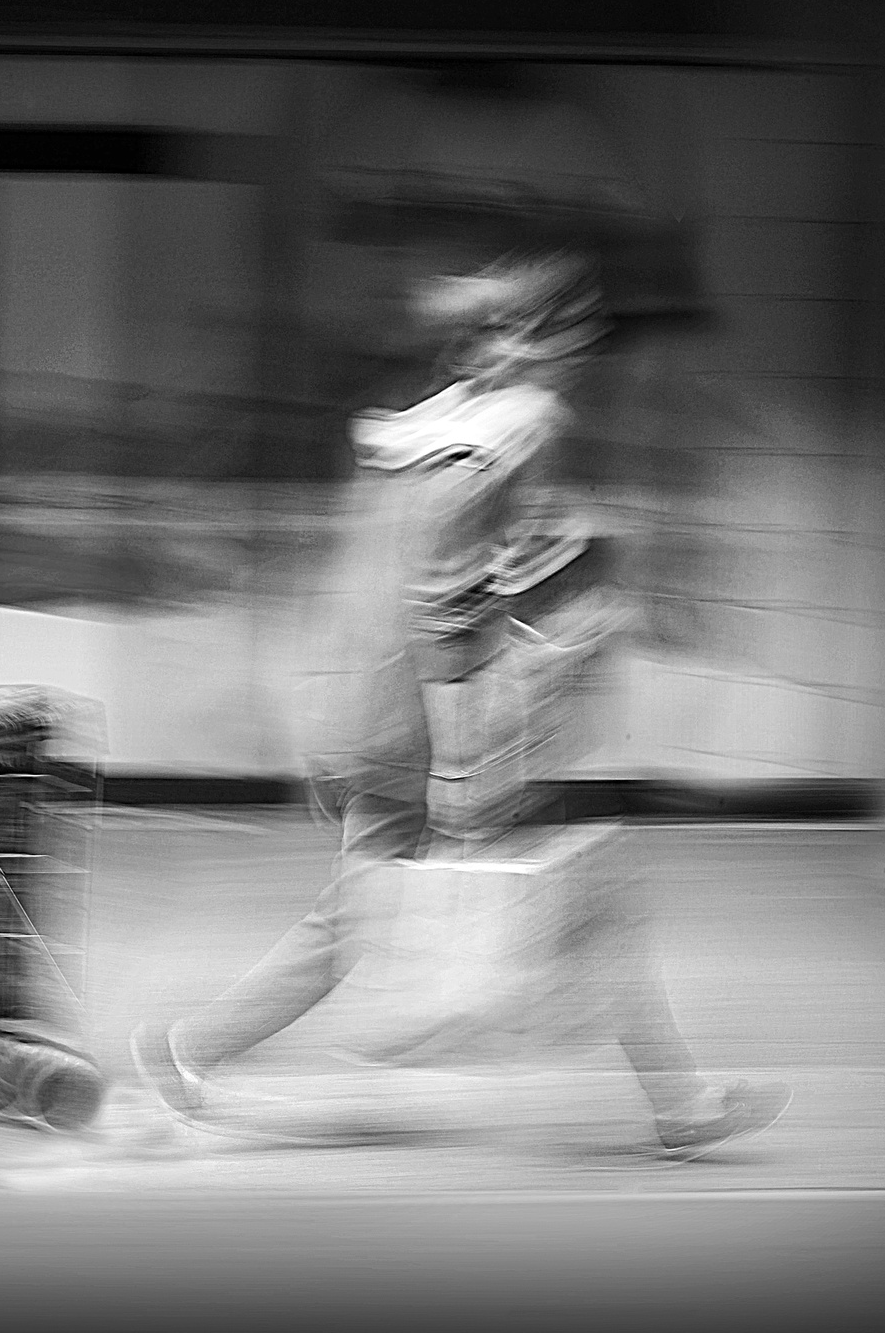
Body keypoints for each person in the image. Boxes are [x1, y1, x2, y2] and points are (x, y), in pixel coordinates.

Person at [131, 250, 788, 1160]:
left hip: (381, 716)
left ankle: (191, 1052)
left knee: (365, 917)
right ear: (526, 340)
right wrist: (462, 761)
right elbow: (449, 606)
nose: (582, 351)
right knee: (571, 895)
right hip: (437, 731)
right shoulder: (506, 436)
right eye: (570, 332)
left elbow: (424, 588)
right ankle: (672, 1100)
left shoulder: (428, 432)